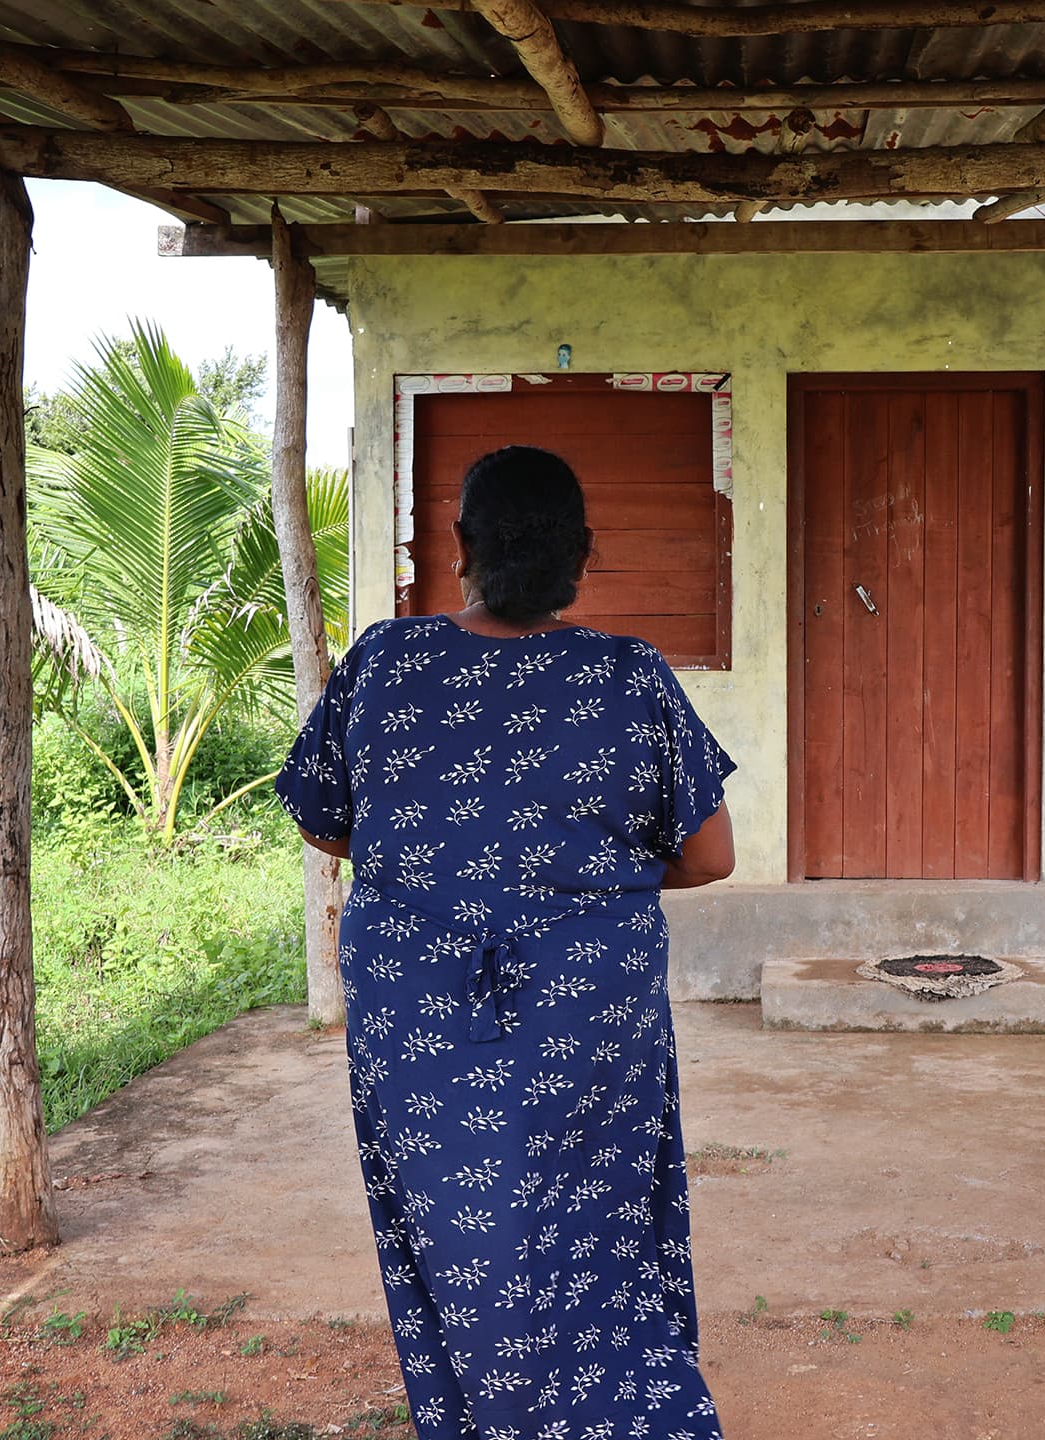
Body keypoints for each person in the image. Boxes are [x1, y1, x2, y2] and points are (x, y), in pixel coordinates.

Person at [275, 444, 737, 1440]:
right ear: (583, 555)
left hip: (421, 1024)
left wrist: (451, 871)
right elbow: (709, 859)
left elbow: (322, 819)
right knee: (602, 1233)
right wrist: (581, 880)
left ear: (461, 547)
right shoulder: (629, 677)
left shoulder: (384, 664)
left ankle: (487, 1416)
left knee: (456, 1238)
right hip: (590, 1019)